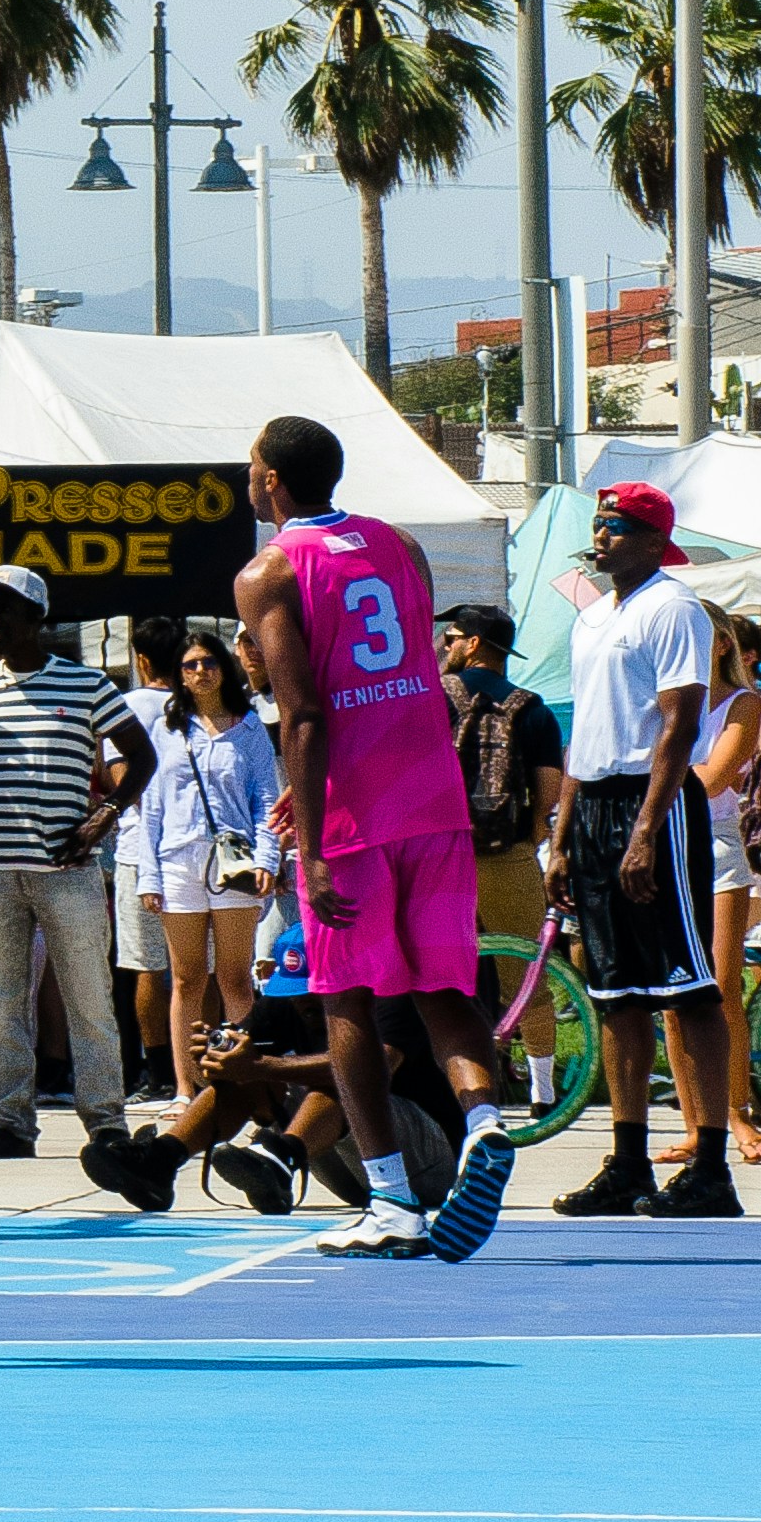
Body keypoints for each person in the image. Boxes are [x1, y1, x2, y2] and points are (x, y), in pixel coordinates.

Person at [237, 415, 515, 1262]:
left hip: (356, 813)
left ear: (272, 480)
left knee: (347, 1000)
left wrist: (314, 840)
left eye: (253, 469)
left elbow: (307, 709)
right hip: (431, 790)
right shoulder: (398, 545)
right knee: (441, 986)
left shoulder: (271, 569)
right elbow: (403, 673)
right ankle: (486, 1122)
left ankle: (391, 1200)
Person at [543, 482, 735, 1218]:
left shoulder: (672, 607)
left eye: (617, 526)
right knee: (615, 994)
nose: (602, 536)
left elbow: (679, 725)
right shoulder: (594, 618)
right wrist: (563, 839)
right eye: (598, 525)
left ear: (654, 541)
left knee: (686, 988)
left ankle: (710, 1163)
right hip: (593, 805)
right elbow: (584, 737)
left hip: (651, 802)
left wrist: (647, 830)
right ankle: (627, 1162)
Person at [0, 569, 151, 1182]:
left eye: (3, 609)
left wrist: (105, 817)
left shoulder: (87, 684)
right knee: (3, 1003)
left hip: (68, 872)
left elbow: (140, 754)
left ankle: (106, 1121)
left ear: (37, 617)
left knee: (89, 998)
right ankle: (12, 1121)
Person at [126, 626, 277, 1132]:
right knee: (187, 977)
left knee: (235, 977)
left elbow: (265, 799)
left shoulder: (249, 727)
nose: (199, 672)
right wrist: (149, 875)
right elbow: (150, 808)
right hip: (177, 860)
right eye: (189, 665)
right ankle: (186, 1087)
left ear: (224, 668)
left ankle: (248, 1082)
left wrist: (268, 860)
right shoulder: (168, 728)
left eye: (208, 662)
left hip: (234, 863)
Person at [441, 602, 567, 1115]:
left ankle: (464, 1089)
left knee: (444, 976)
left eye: (450, 638)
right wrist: (528, 835)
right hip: (507, 855)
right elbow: (549, 790)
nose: (443, 647)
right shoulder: (531, 707)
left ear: (472, 643)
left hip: (441, 858)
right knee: (526, 975)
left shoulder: (434, 699)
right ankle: (543, 1090)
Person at [696, 611, 761, 1165]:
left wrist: (640, 780)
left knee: (720, 985)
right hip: (660, 842)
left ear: (722, 645)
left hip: (717, 842)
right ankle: (695, 1121)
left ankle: (736, 1112)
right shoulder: (658, 701)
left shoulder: (742, 705)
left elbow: (714, 779)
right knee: (677, 993)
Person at [115, 612, 188, 1094]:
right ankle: (197, 1063)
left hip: (137, 847)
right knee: (195, 966)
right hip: (189, 845)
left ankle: (159, 1071)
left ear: (140, 660)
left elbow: (121, 779)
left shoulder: (126, 705)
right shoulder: (195, 705)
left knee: (147, 963)